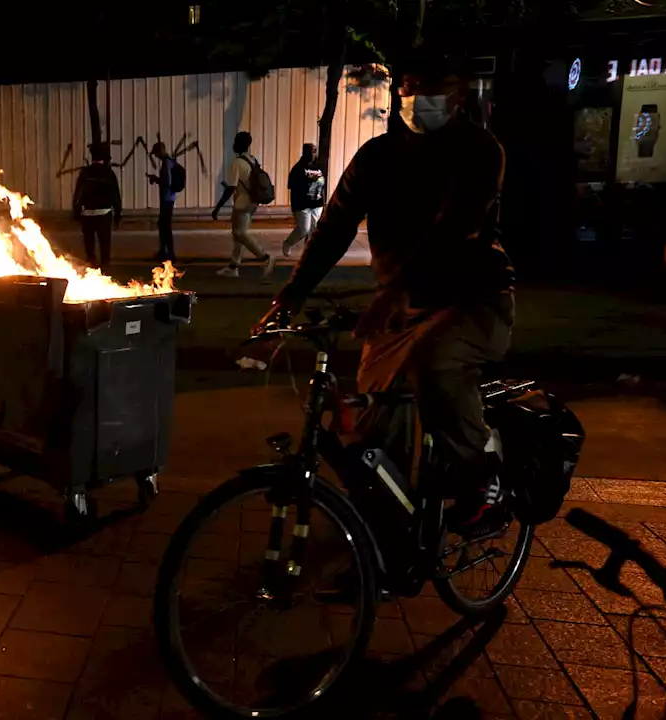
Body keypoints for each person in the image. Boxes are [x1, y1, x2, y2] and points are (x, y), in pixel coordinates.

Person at [261, 51, 515, 535]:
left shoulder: (480, 150)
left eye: (430, 87)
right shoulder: (377, 156)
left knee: (432, 363)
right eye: (407, 86)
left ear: (458, 96)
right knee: (377, 431)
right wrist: (291, 295)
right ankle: (384, 551)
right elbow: (333, 229)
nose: (416, 98)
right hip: (400, 308)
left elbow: (457, 228)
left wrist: (396, 292)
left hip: (474, 301)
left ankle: (484, 480)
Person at [211, 132, 276, 278]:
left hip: (242, 203)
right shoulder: (252, 159)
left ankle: (265, 257)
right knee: (238, 234)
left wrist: (218, 207)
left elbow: (231, 188)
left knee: (239, 234)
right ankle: (233, 266)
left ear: (238, 143)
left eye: (235, 141)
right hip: (253, 201)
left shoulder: (237, 163)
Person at [72, 142, 122, 270]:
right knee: (105, 242)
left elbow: (78, 193)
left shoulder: (85, 173)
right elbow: (115, 195)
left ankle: (91, 265)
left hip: (87, 214)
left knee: (89, 244)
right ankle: (105, 266)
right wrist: (118, 214)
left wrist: (76, 211)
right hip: (104, 213)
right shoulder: (109, 174)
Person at [282, 143, 326, 257]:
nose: (312, 154)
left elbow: (323, 184)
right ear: (304, 152)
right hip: (302, 203)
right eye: (309, 151)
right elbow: (291, 186)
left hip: (317, 203)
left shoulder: (319, 166)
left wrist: (323, 201)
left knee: (313, 230)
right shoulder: (298, 168)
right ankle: (288, 243)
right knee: (303, 229)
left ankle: (309, 254)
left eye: (314, 151)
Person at [146, 141, 178, 263]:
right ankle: (164, 251)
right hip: (169, 198)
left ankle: (168, 253)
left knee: (165, 226)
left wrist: (155, 179)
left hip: (167, 198)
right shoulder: (170, 161)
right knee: (163, 224)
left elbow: (167, 182)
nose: (156, 157)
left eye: (156, 154)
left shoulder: (166, 163)